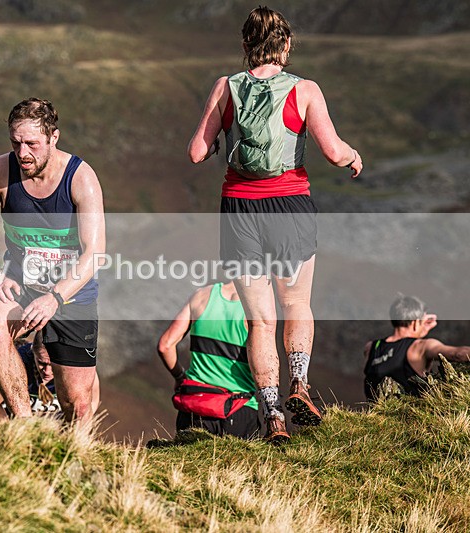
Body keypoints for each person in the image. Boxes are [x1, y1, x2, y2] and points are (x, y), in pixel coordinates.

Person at [187, 6, 363, 443]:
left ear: (245, 45)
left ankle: (272, 414)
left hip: (240, 210)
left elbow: (196, 151)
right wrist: (354, 157)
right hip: (289, 206)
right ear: (285, 46)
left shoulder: (225, 88)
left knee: (259, 321)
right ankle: (299, 384)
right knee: (297, 304)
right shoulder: (304, 90)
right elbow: (333, 151)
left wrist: (217, 146)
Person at [0, 97, 105, 424]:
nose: (23, 153)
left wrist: (56, 297)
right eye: (16, 143)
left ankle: (74, 459)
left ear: (53, 138)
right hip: (20, 283)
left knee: (77, 405)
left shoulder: (81, 178)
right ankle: (24, 424)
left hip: (71, 293)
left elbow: (94, 252)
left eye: (32, 144)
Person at [157, 282, 260, 440]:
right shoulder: (257, 303)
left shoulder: (201, 295)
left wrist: (179, 377)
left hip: (195, 406)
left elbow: (165, 345)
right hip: (239, 408)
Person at [364, 295, 470, 400]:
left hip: (376, 414)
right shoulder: (419, 347)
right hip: (407, 414)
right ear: (415, 323)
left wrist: (419, 329)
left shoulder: (372, 347)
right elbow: (457, 354)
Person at [0, 332, 102, 420]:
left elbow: (92, 403)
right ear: (33, 351)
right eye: (41, 363)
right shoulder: (15, 365)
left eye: (53, 364)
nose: (47, 371)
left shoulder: (78, 368)